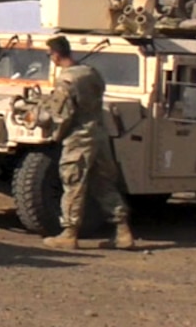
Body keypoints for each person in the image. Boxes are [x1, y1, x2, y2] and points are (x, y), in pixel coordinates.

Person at [39, 35, 134, 252]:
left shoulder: (66, 80)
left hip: (79, 138)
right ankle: (123, 232)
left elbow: (62, 115)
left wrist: (54, 133)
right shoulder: (91, 72)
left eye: (49, 54)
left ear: (55, 54)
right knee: (104, 183)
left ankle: (69, 234)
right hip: (99, 134)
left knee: (73, 183)